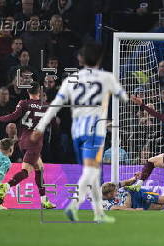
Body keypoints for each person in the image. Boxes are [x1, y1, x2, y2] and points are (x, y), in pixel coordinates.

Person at [32, 42, 129, 223]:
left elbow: (56, 105)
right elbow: (123, 97)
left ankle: (99, 213)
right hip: (95, 131)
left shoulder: (71, 80)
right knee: (91, 171)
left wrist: (40, 127)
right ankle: (73, 206)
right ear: (99, 59)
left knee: (91, 171)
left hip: (76, 132)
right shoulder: (107, 77)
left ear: (80, 59)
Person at [0, 81, 56, 209]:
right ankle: (6, 186)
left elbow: (13, 116)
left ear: (28, 92)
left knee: (39, 169)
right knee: (26, 171)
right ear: (40, 92)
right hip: (35, 142)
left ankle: (44, 200)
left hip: (23, 141)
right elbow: (54, 124)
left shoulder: (23, 103)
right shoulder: (47, 106)